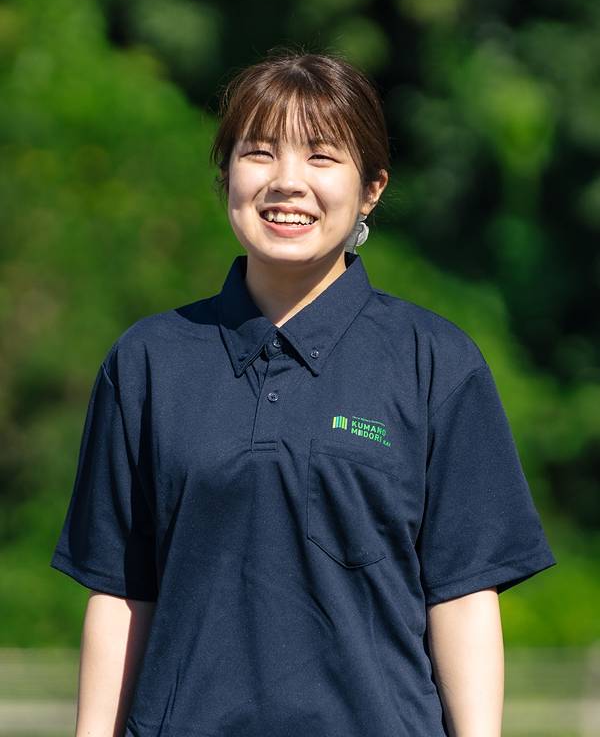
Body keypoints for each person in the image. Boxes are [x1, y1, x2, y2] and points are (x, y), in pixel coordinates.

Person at [49, 49, 557, 737]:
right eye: (259, 153)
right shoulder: (148, 361)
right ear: (226, 175)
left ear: (371, 188)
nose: (287, 183)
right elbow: (120, 594)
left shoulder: (435, 362)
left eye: (321, 157)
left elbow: (464, 597)